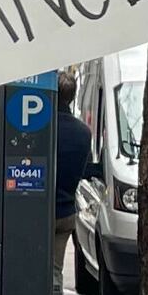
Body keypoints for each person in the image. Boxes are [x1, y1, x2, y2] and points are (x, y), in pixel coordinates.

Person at [54, 69, 94, 278]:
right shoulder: (83, 132)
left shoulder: (44, 130)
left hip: (40, 211)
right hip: (67, 210)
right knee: (55, 272)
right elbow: (85, 168)